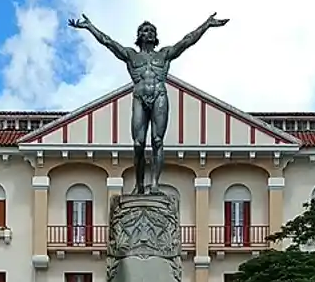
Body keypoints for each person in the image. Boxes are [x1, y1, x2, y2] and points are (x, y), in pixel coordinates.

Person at [68, 13, 228, 194]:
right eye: (145, 30)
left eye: (152, 30)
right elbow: (108, 42)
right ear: (139, 36)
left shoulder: (164, 55)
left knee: (158, 141)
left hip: (159, 95)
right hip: (139, 97)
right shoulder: (131, 55)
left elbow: (187, 41)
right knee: (138, 143)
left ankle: (154, 184)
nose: (149, 33)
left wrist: (206, 25)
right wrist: (90, 27)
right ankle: (139, 184)